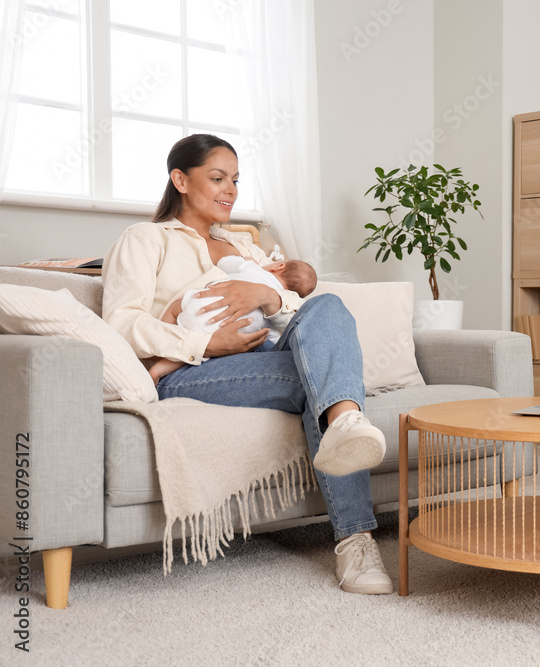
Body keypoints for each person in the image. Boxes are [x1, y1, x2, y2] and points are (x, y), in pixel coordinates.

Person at [102, 134, 393, 595]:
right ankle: (355, 538)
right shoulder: (145, 239)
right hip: (191, 370)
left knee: (330, 305)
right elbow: (120, 324)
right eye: (217, 178)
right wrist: (205, 341)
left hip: (269, 349)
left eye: (235, 180)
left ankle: (344, 422)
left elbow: (299, 311)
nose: (230, 190)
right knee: (320, 382)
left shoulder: (247, 249)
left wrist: (269, 294)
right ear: (180, 179)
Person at [147, 257, 317, 383]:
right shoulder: (278, 309)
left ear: (279, 265)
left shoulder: (253, 268)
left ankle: (161, 342)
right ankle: (157, 371)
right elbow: (274, 340)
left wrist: (246, 261)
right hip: (218, 334)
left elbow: (224, 262)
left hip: (200, 305)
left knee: (175, 308)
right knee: (200, 348)